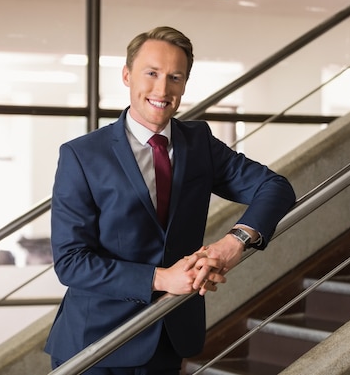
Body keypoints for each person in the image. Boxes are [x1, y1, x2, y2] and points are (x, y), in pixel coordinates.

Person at [45, 26, 296, 374]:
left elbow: (275, 187)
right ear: (127, 75)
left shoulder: (199, 143)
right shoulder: (82, 155)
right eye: (152, 73)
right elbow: (71, 262)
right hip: (95, 344)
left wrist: (233, 242)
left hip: (168, 336)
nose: (162, 89)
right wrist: (162, 279)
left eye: (175, 77)